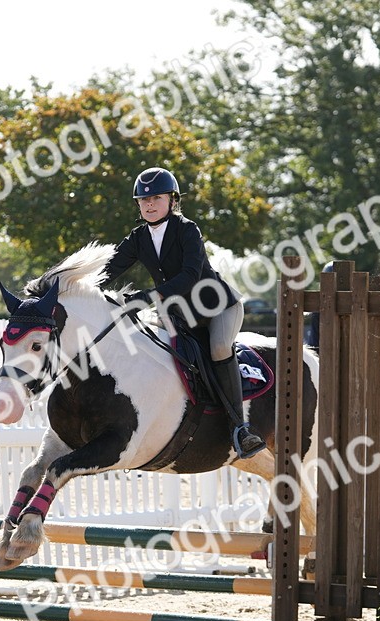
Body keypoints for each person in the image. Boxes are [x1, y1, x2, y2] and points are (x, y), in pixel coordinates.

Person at [102, 167, 265, 459]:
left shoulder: (187, 230)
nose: (149, 204)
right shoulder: (138, 237)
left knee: (217, 348)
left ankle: (240, 428)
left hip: (217, 308)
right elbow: (108, 269)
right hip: (178, 315)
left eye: (157, 198)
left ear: (172, 201)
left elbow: (189, 275)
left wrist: (145, 297)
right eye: (143, 200)